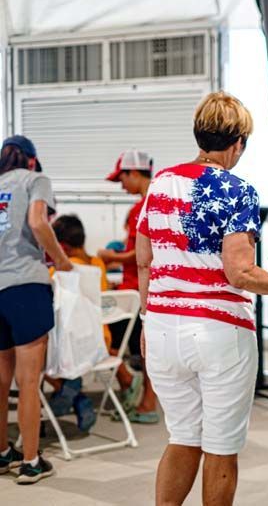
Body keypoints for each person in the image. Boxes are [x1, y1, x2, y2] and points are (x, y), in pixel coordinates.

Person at [137, 91, 268, 506]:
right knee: (220, 445)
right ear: (238, 142)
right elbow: (241, 272)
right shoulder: (238, 191)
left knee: (182, 436)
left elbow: (145, 262)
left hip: (162, 329)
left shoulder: (159, 183)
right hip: (219, 331)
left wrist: (148, 317)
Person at [0, 135, 73, 484]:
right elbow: (38, 222)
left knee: (1, 381)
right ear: (31, 160)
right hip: (26, 285)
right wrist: (60, 260)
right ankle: (30, 461)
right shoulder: (35, 179)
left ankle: (2, 454)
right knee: (29, 381)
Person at [99, 150, 158, 423]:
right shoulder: (160, 201)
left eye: (121, 179)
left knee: (138, 350)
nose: (121, 186)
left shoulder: (141, 208)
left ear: (134, 173)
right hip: (149, 289)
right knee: (145, 351)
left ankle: (146, 401)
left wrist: (110, 256)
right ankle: (140, 394)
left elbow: (139, 253)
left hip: (137, 291)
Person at [45, 214, 110, 432]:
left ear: (61, 245)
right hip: (101, 342)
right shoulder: (98, 265)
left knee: (27, 354)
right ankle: (70, 396)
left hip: (71, 349)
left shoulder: (60, 272)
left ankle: (70, 392)